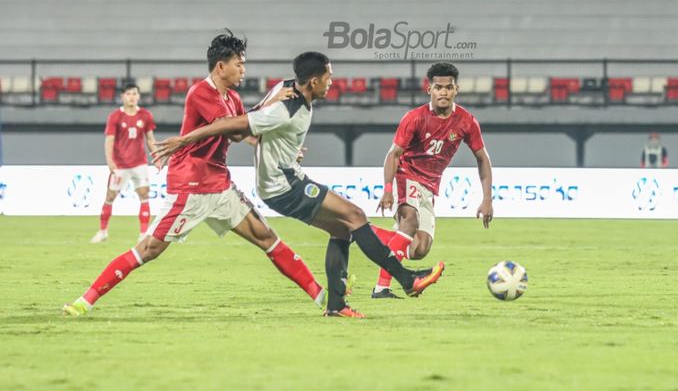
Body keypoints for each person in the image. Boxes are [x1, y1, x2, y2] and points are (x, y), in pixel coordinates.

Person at [152, 52, 445, 319]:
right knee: (355, 216)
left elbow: (252, 123)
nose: (332, 83)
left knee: (342, 227)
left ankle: (336, 305)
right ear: (314, 81)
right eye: (329, 78)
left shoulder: (287, 90)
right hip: (283, 185)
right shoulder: (286, 108)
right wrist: (184, 139)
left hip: (288, 178)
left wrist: (283, 143)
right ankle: (408, 280)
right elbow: (236, 125)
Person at [63, 31, 325, 316]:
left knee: (266, 237)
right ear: (220, 66)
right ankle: (84, 301)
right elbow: (229, 124)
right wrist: (269, 106)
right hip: (191, 186)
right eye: (239, 64)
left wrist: (272, 140)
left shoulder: (233, 98)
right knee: (148, 249)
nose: (243, 70)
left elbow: (239, 133)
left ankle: (322, 295)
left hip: (220, 185)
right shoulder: (200, 92)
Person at [371, 62, 493, 298]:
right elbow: (393, 154)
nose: (443, 92)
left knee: (419, 249)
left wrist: (487, 198)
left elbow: (482, 158)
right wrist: (387, 189)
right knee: (410, 221)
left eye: (448, 87)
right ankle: (381, 288)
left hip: (429, 186)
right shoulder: (414, 118)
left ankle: (363, 232)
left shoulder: (467, 122)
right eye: (438, 87)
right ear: (429, 90)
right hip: (406, 175)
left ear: (456, 89)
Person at [90, 83, 156, 244]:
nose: (132, 97)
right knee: (110, 196)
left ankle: (143, 234)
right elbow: (109, 141)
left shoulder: (145, 115)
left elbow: (150, 139)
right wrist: (110, 161)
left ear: (139, 96)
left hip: (139, 163)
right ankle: (103, 231)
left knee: (144, 196)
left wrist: (157, 155)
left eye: (134, 93)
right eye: (128, 94)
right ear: (122, 97)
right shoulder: (115, 117)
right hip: (120, 165)